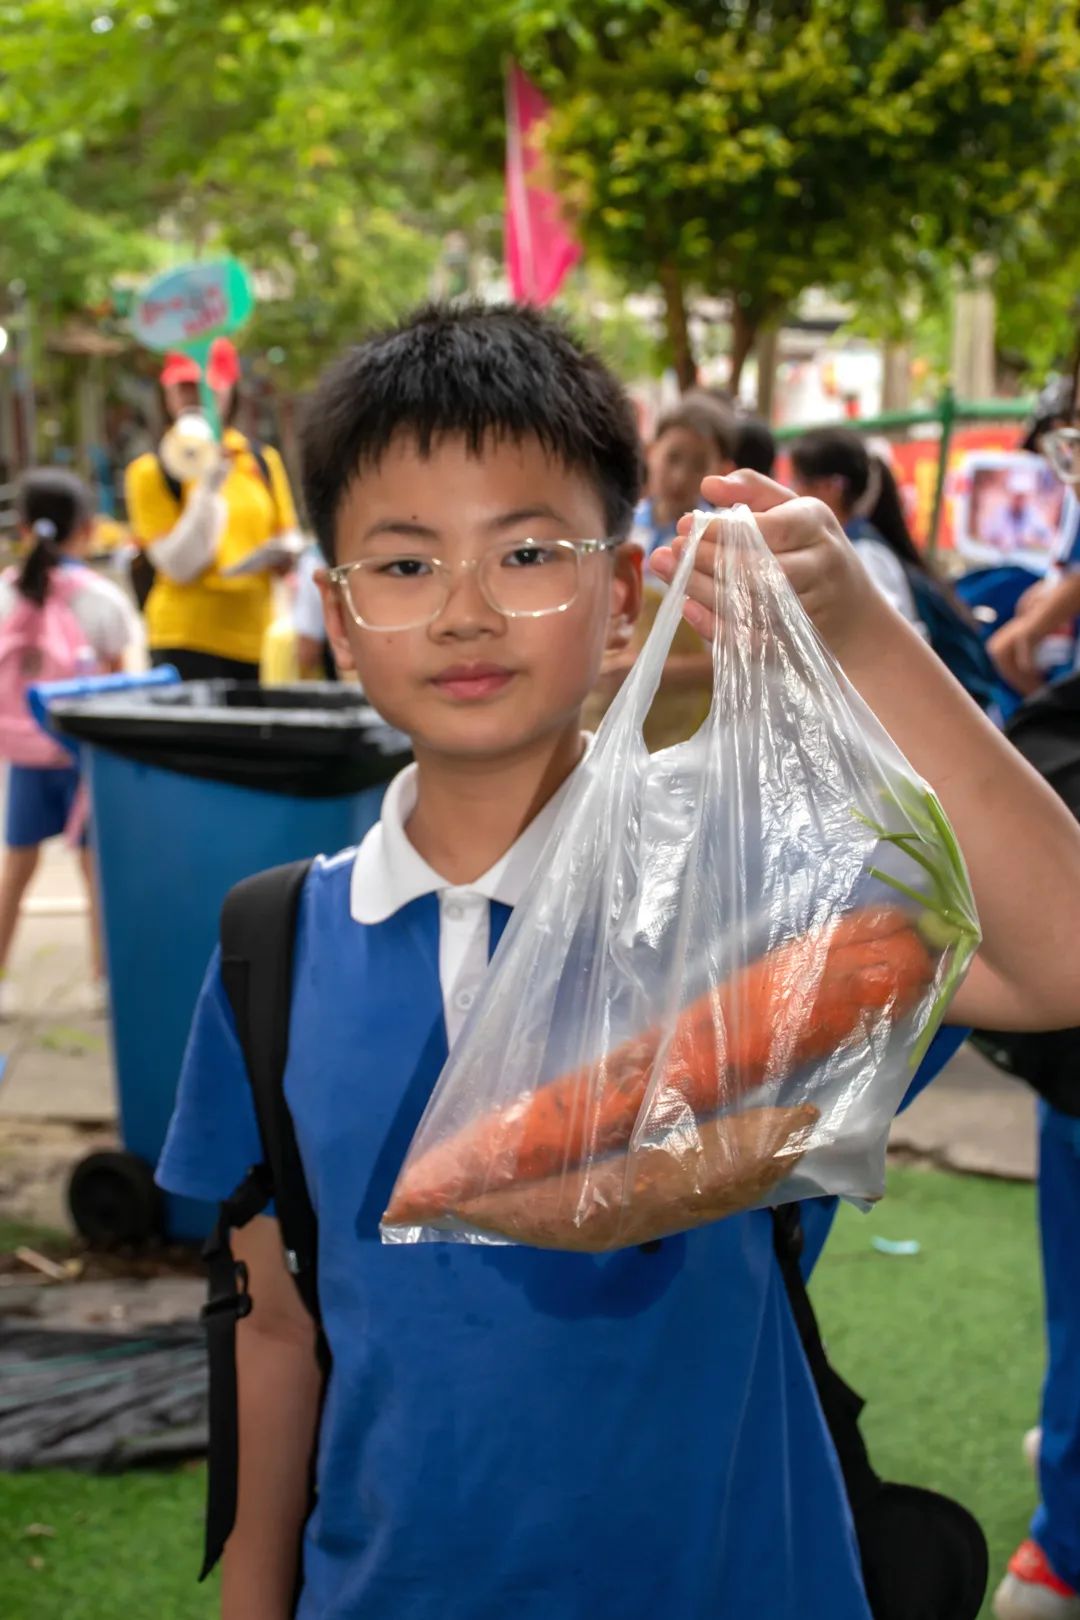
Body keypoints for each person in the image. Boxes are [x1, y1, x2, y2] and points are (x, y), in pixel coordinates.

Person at [156, 303, 1080, 1620]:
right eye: (406, 566)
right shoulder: (276, 948)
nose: (469, 611)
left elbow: (1062, 959)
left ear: (623, 593)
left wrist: (868, 637)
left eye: (527, 551)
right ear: (338, 620)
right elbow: (276, 1328)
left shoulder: (737, 890)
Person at [0, 470, 138, 1017]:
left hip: (26, 755)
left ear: (22, 526)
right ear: (86, 529)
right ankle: (103, 983)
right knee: (95, 871)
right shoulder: (101, 598)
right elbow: (122, 680)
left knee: (17, 867)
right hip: (84, 756)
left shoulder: (7, 594)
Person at [124, 340, 301, 682]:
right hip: (186, 640)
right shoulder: (151, 471)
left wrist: (285, 556)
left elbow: (287, 533)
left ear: (230, 389)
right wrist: (207, 487)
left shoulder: (261, 460)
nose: (195, 399)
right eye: (185, 388)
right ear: (168, 392)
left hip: (255, 639)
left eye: (207, 388)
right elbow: (179, 565)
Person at [790, 427, 922, 624]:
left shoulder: (865, 554)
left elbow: (879, 635)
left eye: (798, 481)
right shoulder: (851, 543)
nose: (793, 491)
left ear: (831, 488)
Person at [983, 470, 1056, 557]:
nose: (1018, 501)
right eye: (1015, 496)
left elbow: (1049, 537)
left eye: (1021, 497)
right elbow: (987, 535)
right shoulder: (1000, 513)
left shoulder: (1032, 514)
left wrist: (1033, 540)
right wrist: (999, 542)